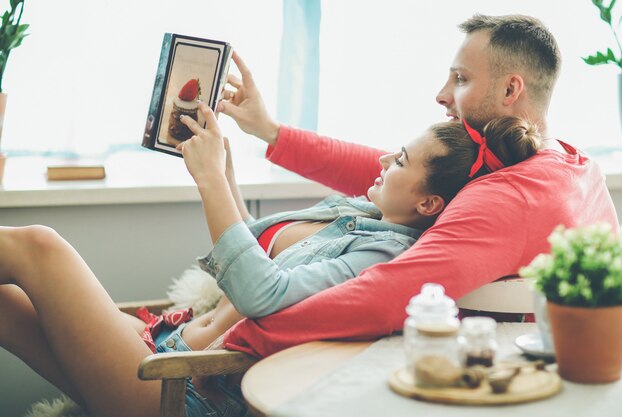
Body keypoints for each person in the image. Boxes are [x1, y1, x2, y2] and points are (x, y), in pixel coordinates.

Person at [0, 108, 539, 416]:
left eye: (399, 160)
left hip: (176, 388)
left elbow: (263, 293)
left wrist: (211, 179)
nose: (380, 160)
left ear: (429, 204)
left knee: (40, 246)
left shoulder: (383, 255)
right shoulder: (357, 214)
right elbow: (253, 254)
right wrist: (222, 167)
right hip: (161, 342)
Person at [211, 13, 618, 358]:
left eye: (460, 78)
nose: (442, 95)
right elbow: (391, 171)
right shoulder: (568, 165)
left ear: (511, 89)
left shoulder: (509, 196)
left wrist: (240, 340)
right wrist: (270, 131)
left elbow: (389, 295)